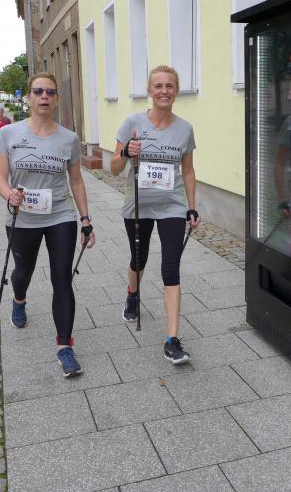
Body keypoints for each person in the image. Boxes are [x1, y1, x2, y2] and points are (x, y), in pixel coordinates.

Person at [0, 72, 95, 377]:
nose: (44, 97)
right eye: (38, 91)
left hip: (59, 215)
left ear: (56, 99)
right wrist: (9, 194)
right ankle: (19, 299)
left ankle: (65, 346)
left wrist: (85, 219)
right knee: (22, 272)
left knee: (62, 278)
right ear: (28, 97)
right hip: (22, 217)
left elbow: (76, 181)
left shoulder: (68, 138)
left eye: (50, 92)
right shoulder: (9, 134)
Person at [111, 65, 200, 365]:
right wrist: (126, 153)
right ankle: (132, 293)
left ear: (176, 90)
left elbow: (188, 171)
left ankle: (172, 339)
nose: (164, 91)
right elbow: (113, 167)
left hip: (172, 206)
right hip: (138, 206)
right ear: (150, 91)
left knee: (171, 268)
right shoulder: (133, 123)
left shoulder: (185, 129)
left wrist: (191, 207)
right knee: (139, 259)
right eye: (158, 86)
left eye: (169, 86)